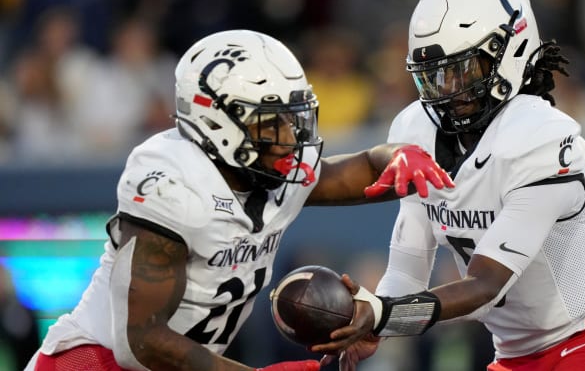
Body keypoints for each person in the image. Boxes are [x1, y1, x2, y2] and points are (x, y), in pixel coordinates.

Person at [311, 0, 585, 371]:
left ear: (511, 51)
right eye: (434, 76)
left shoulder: (541, 137)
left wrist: (385, 314)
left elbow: (486, 285)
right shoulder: (415, 131)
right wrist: (377, 321)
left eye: (462, 71)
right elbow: (406, 273)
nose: (447, 91)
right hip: (511, 356)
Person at [24, 29, 454, 371]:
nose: (292, 140)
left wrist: (394, 156)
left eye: (295, 120)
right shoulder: (173, 183)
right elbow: (142, 340)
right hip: (96, 363)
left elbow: (360, 170)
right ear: (218, 122)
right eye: (273, 125)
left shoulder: (271, 167)